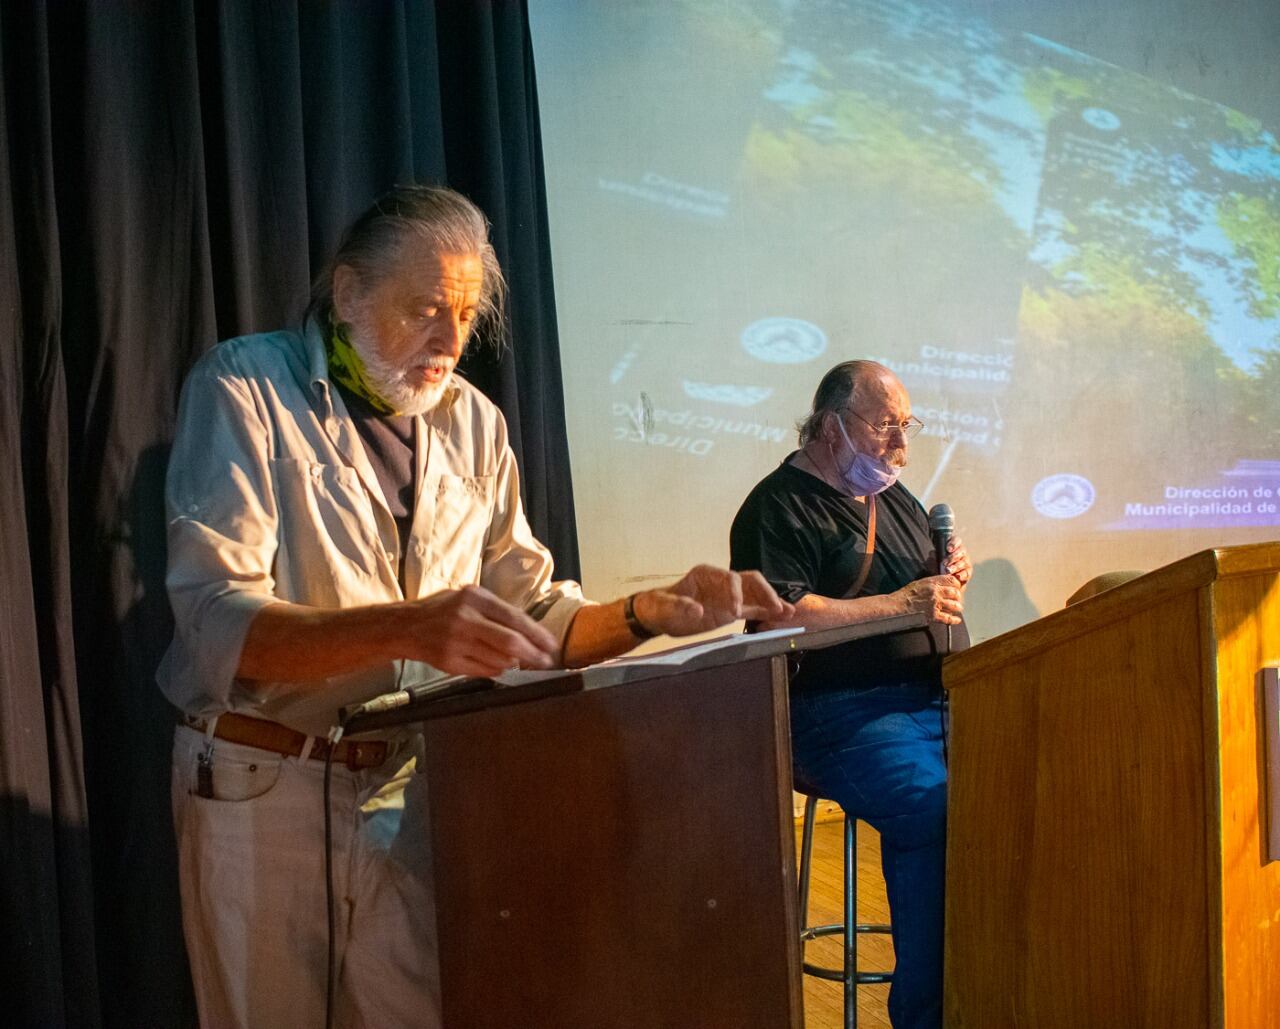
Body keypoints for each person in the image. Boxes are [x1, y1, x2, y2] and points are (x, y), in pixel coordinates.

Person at [158, 184, 790, 1028]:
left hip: (412, 791)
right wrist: (412, 626)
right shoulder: (246, 387)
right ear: (347, 293)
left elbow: (532, 617)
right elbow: (217, 627)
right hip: (262, 782)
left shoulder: (474, 425)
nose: (451, 341)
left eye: (463, 314)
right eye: (426, 308)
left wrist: (648, 611)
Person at [729, 360, 972, 1029]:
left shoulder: (898, 500)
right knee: (935, 808)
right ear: (830, 424)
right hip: (841, 714)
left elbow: (926, 591)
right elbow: (777, 617)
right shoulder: (776, 506)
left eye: (907, 426)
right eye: (885, 424)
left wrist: (949, 575)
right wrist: (899, 603)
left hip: (938, 701)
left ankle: (996, 985)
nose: (901, 445)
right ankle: (929, 1015)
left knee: (1018, 788)